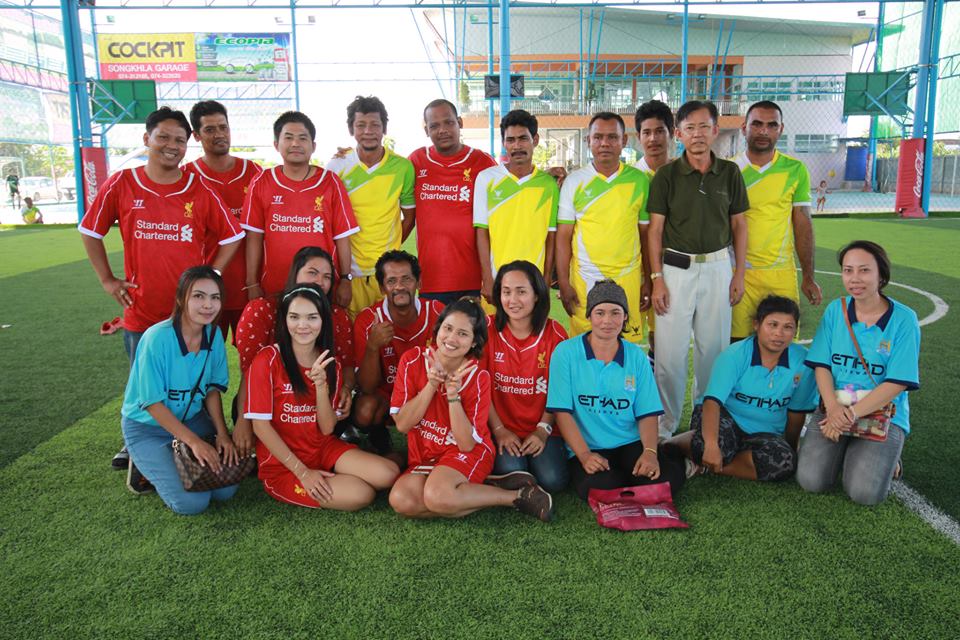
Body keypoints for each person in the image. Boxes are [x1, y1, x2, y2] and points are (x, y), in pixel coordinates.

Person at [79, 106, 244, 470]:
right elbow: (90, 230)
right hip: (143, 308)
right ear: (147, 139)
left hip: (192, 314)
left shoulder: (198, 188)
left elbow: (233, 236)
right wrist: (108, 279)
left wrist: (211, 274)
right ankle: (136, 442)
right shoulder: (123, 183)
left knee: (194, 380)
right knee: (143, 381)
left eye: (179, 140)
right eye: (163, 137)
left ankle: (195, 436)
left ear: (187, 145)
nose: (172, 146)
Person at [388, 298, 555, 521]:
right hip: (426, 452)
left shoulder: (478, 377)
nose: (451, 338)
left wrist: (453, 396)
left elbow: (466, 444)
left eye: (462, 334)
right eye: (447, 328)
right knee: (401, 500)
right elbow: (402, 425)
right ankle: (481, 488)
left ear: (474, 342)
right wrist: (432, 384)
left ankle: (517, 496)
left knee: (437, 496)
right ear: (438, 328)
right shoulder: (412, 360)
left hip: (468, 450)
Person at [647, 100, 750, 438]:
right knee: (669, 354)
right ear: (678, 134)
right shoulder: (666, 176)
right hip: (675, 270)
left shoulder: (730, 173)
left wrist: (738, 273)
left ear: (716, 130)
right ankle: (664, 427)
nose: (697, 134)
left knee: (714, 352)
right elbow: (655, 231)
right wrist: (657, 279)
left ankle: (706, 425)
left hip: (718, 267)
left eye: (704, 127)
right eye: (690, 128)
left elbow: (739, 225)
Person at [245, 283, 399, 509]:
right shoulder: (267, 360)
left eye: (312, 317)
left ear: (323, 321)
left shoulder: (331, 363)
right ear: (284, 320)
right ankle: (335, 479)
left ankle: (343, 474)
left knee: (389, 474)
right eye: (294, 317)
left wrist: (320, 386)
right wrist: (302, 472)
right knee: (361, 494)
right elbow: (260, 426)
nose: (303, 325)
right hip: (283, 465)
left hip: (323, 448)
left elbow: (327, 428)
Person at [797, 241, 920, 506]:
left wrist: (850, 415)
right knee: (811, 481)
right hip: (835, 407)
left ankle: (888, 456)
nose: (854, 279)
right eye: (848, 270)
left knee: (864, 493)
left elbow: (897, 382)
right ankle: (854, 452)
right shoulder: (836, 310)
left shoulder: (904, 320)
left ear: (881, 275)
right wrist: (833, 409)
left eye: (864, 270)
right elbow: (822, 365)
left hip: (881, 412)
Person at [546, 280, 685, 500]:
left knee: (663, 481)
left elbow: (647, 412)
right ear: (589, 316)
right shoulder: (565, 353)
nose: (607, 321)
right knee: (601, 488)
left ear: (625, 317)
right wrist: (584, 455)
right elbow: (562, 412)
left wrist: (649, 453)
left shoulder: (636, 356)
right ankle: (623, 474)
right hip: (589, 445)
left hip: (629, 442)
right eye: (600, 313)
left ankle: (670, 452)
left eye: (615, 313)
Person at [120, 266, 240, 513]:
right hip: (148, 428)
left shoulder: (213, 335)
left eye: (215, 297)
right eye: (198, 296)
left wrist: (222, 434)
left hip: (193, 419)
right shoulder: (156, 338)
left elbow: (212, 390)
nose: (208, 305)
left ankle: (171, 457)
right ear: (181, 298)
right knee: (192, 504)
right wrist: (194, 442)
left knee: (225, 490)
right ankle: (143, 463)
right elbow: (152, 403)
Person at [664, 295, 818, 481]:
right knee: (710, 446)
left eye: (788, 327)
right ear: (756, 325)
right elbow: (712, 402)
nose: (779, 333)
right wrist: (711, 445)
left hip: (765, 431)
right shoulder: (735, 355)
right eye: (772, 325)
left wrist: (792, 449)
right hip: (725, 418)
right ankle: (674, 443)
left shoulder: (803, 361)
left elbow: (796, 412)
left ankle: (707, 467)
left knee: (785, 463)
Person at [234, 247, 358, 456]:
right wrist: (242, 419)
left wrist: (346, 389)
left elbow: (346, 366)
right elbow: (249, 372)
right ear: (295, 274)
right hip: (266, 406)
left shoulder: (337, 315)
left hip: (319, 406)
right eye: (312, 272)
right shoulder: (261, 310)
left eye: (327, 277)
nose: (320, 281)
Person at [241, 111, 357, 307]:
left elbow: (343, 237)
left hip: (321, 289)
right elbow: (254, 237)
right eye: (288, 137)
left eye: (303, 138)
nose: (295, 143)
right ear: (276, 144)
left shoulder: (330, 182)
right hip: (275, 287)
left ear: (313, 146)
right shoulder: (261, 181)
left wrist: (346, 278)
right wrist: (252, 282)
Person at [557, 112, 651, 345]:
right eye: (598, 137)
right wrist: (564, 283)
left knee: (625, 348)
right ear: (588, 140)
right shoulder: (574, 182)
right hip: (585, 281)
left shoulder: (639, 180)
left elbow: (646, 236)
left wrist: (649, 280)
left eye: (612, 137)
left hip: (627, 279)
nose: (605, 143)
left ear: (624, 141)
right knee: (585, 348)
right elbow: (563, 238)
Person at [731, 100, 822, 341]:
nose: (764, 131)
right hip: (737, 274)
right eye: (757, 124)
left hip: (779, 274)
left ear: (780, 130)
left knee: (782, 346)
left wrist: (808, 276)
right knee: (738, 346)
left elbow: (802, 223)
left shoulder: (795, 170)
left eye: (772, 125)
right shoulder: (728, 170)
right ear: (744, 128)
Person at [481, 260, 569, 492]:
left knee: (553, 480)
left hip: (542, 426)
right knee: (513, 471)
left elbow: (560, 391)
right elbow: (480, 388)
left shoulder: (555, 334)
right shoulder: (487, 330)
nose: (513, 300)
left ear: (537, 295)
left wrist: (543, 430)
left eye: (521, 292)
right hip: (501, 426)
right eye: (506, 292)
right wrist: (499, 430)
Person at [326, 96, 416, 318]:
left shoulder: (403, 167)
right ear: (351, 129)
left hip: (387, 274)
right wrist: (344, 275)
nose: (368, 131)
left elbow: (409, 217)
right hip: (350, 274)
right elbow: (330, 221)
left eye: (375, 124)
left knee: (389, 333)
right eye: (361, 125)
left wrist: (391, 248)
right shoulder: (337, 166)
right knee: (353, 335)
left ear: (384, 128)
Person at [353, 250, 444, 456]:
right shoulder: (368, 319)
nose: (400, 286)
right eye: (391, 281)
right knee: (366, 410)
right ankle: (378, 435)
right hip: (388, 397)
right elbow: (367, 387)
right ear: (381, 287)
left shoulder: (438, 313)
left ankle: (439, 440)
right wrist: (373, 346)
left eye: (406, 279)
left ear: (419, 283)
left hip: (428, 392)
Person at [186, 100, 263, 341]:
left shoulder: (254, 173)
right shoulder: (187, 176)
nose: (219, 134)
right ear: (196, 136)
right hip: (204, 291)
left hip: (249, 288)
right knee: (203, 354)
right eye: (210, 129)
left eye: (223, 127)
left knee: (254, 355)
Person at [408, 99, 496, 304]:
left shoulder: (482, 162)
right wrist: (349, 157)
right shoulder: (416, 160)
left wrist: (545, 174)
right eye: (434, 126)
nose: (442, 130)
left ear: (460, 123)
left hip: (473, 280)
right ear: (426, 131)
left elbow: (510, 188)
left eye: (448, 122)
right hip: (431, 279)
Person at [473, 109, 560, 304]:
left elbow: (551, 236)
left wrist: (546, 278)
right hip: (498, 281)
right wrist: (487, 278)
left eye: (523, 138)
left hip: (534, 284)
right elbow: (481, 232)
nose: (517, 146)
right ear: (504, 143)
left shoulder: (549, 185)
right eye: (510, 140)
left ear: (535, 140)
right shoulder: (486, 179)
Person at [633, 100, 676, 362]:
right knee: (638, 330)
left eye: (660, 131)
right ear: (638, 137)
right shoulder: (630, 177)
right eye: (647, 132)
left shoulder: (683, 174)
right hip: (637, 269)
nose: (653, 139)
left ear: (671, 133)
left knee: (666, 332)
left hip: (674, 266)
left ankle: (660, 376)